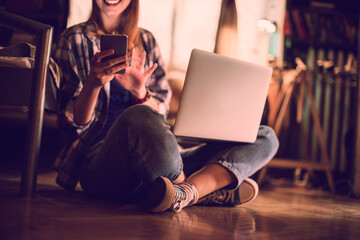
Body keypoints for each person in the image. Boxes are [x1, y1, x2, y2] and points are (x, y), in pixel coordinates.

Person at [54, 0, 279, 213]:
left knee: (264, 136)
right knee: (137, 117)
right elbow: (74, 124)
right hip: (102, 164)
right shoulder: (73, 39)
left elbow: (160, 114)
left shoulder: (147, 41)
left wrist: (140, 93)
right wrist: (94, 82)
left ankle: (183, 192)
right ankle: (204, 190)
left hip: (162, 161)